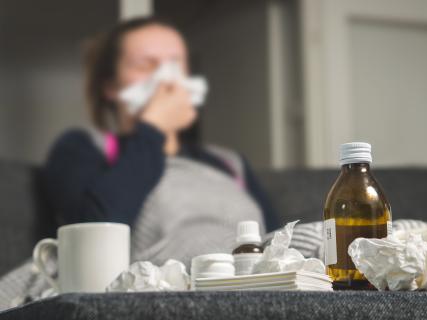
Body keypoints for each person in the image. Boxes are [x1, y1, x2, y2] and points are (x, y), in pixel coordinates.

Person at [0, 17, 281, 308]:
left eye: (176, 63)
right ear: (110, 86)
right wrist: (153, 130)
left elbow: (278, 246)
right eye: (146, 65)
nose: (166, 77)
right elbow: (93, 231)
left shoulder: (229, 163)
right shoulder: (82, 149)